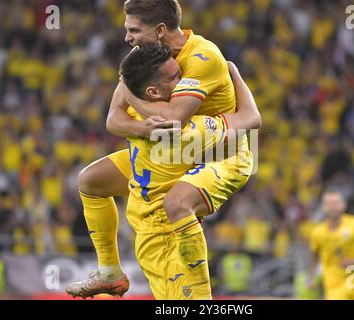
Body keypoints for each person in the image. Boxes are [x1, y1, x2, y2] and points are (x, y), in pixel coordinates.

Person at [69, 0, 256, 298]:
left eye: (133, 29)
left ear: (159, 30)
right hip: (173, 151)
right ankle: (109, 272)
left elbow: (172, 121)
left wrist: (131, 96)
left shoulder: (202, 57)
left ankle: (199, 296)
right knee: (90, 181)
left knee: (177, 203)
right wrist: (143, 128)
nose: (127, 37)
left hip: (221, 152)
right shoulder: (145, 59)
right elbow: (113, 121)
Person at [308, 189, 354, 300]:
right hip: (334, 283)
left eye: (335, 203)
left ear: (343, 205)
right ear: (323, 207)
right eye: (329, 204)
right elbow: (314, 256)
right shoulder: (318, 232)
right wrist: (311, 278)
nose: (332, 207)